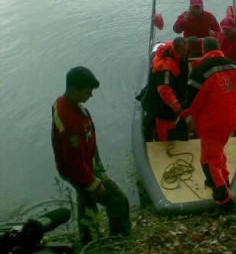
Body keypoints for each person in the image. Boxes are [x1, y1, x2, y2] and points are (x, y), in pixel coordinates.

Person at [51, 66, 131, 244]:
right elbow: (74, 162)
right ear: (73, 90)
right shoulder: (69, 123)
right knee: (117, 200)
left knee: (86, 202)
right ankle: (120, 238)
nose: (91, 96)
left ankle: (89, 239)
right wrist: (93, 183)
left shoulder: (63, 103)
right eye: (87, 93)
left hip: (87, 162)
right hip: (83, 170)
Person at [180, 37, 236, 215]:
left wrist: (179, 113)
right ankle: (225, 179)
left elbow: (191, 103)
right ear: (219, 48)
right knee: (217, 152)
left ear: (204, 50)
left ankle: (223, 200)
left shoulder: (200, 71)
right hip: (232, 119)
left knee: (208, 161)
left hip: (212, 123)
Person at [143, 37, 189, 141]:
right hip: (162, 107)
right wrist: (177, 107)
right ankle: (164, 143)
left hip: (165, 102)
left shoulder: (171, 53)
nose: (185, 53)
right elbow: (164, 90)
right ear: (176, 48)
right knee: (165, 131)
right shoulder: (166, 67)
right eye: (183, 50)